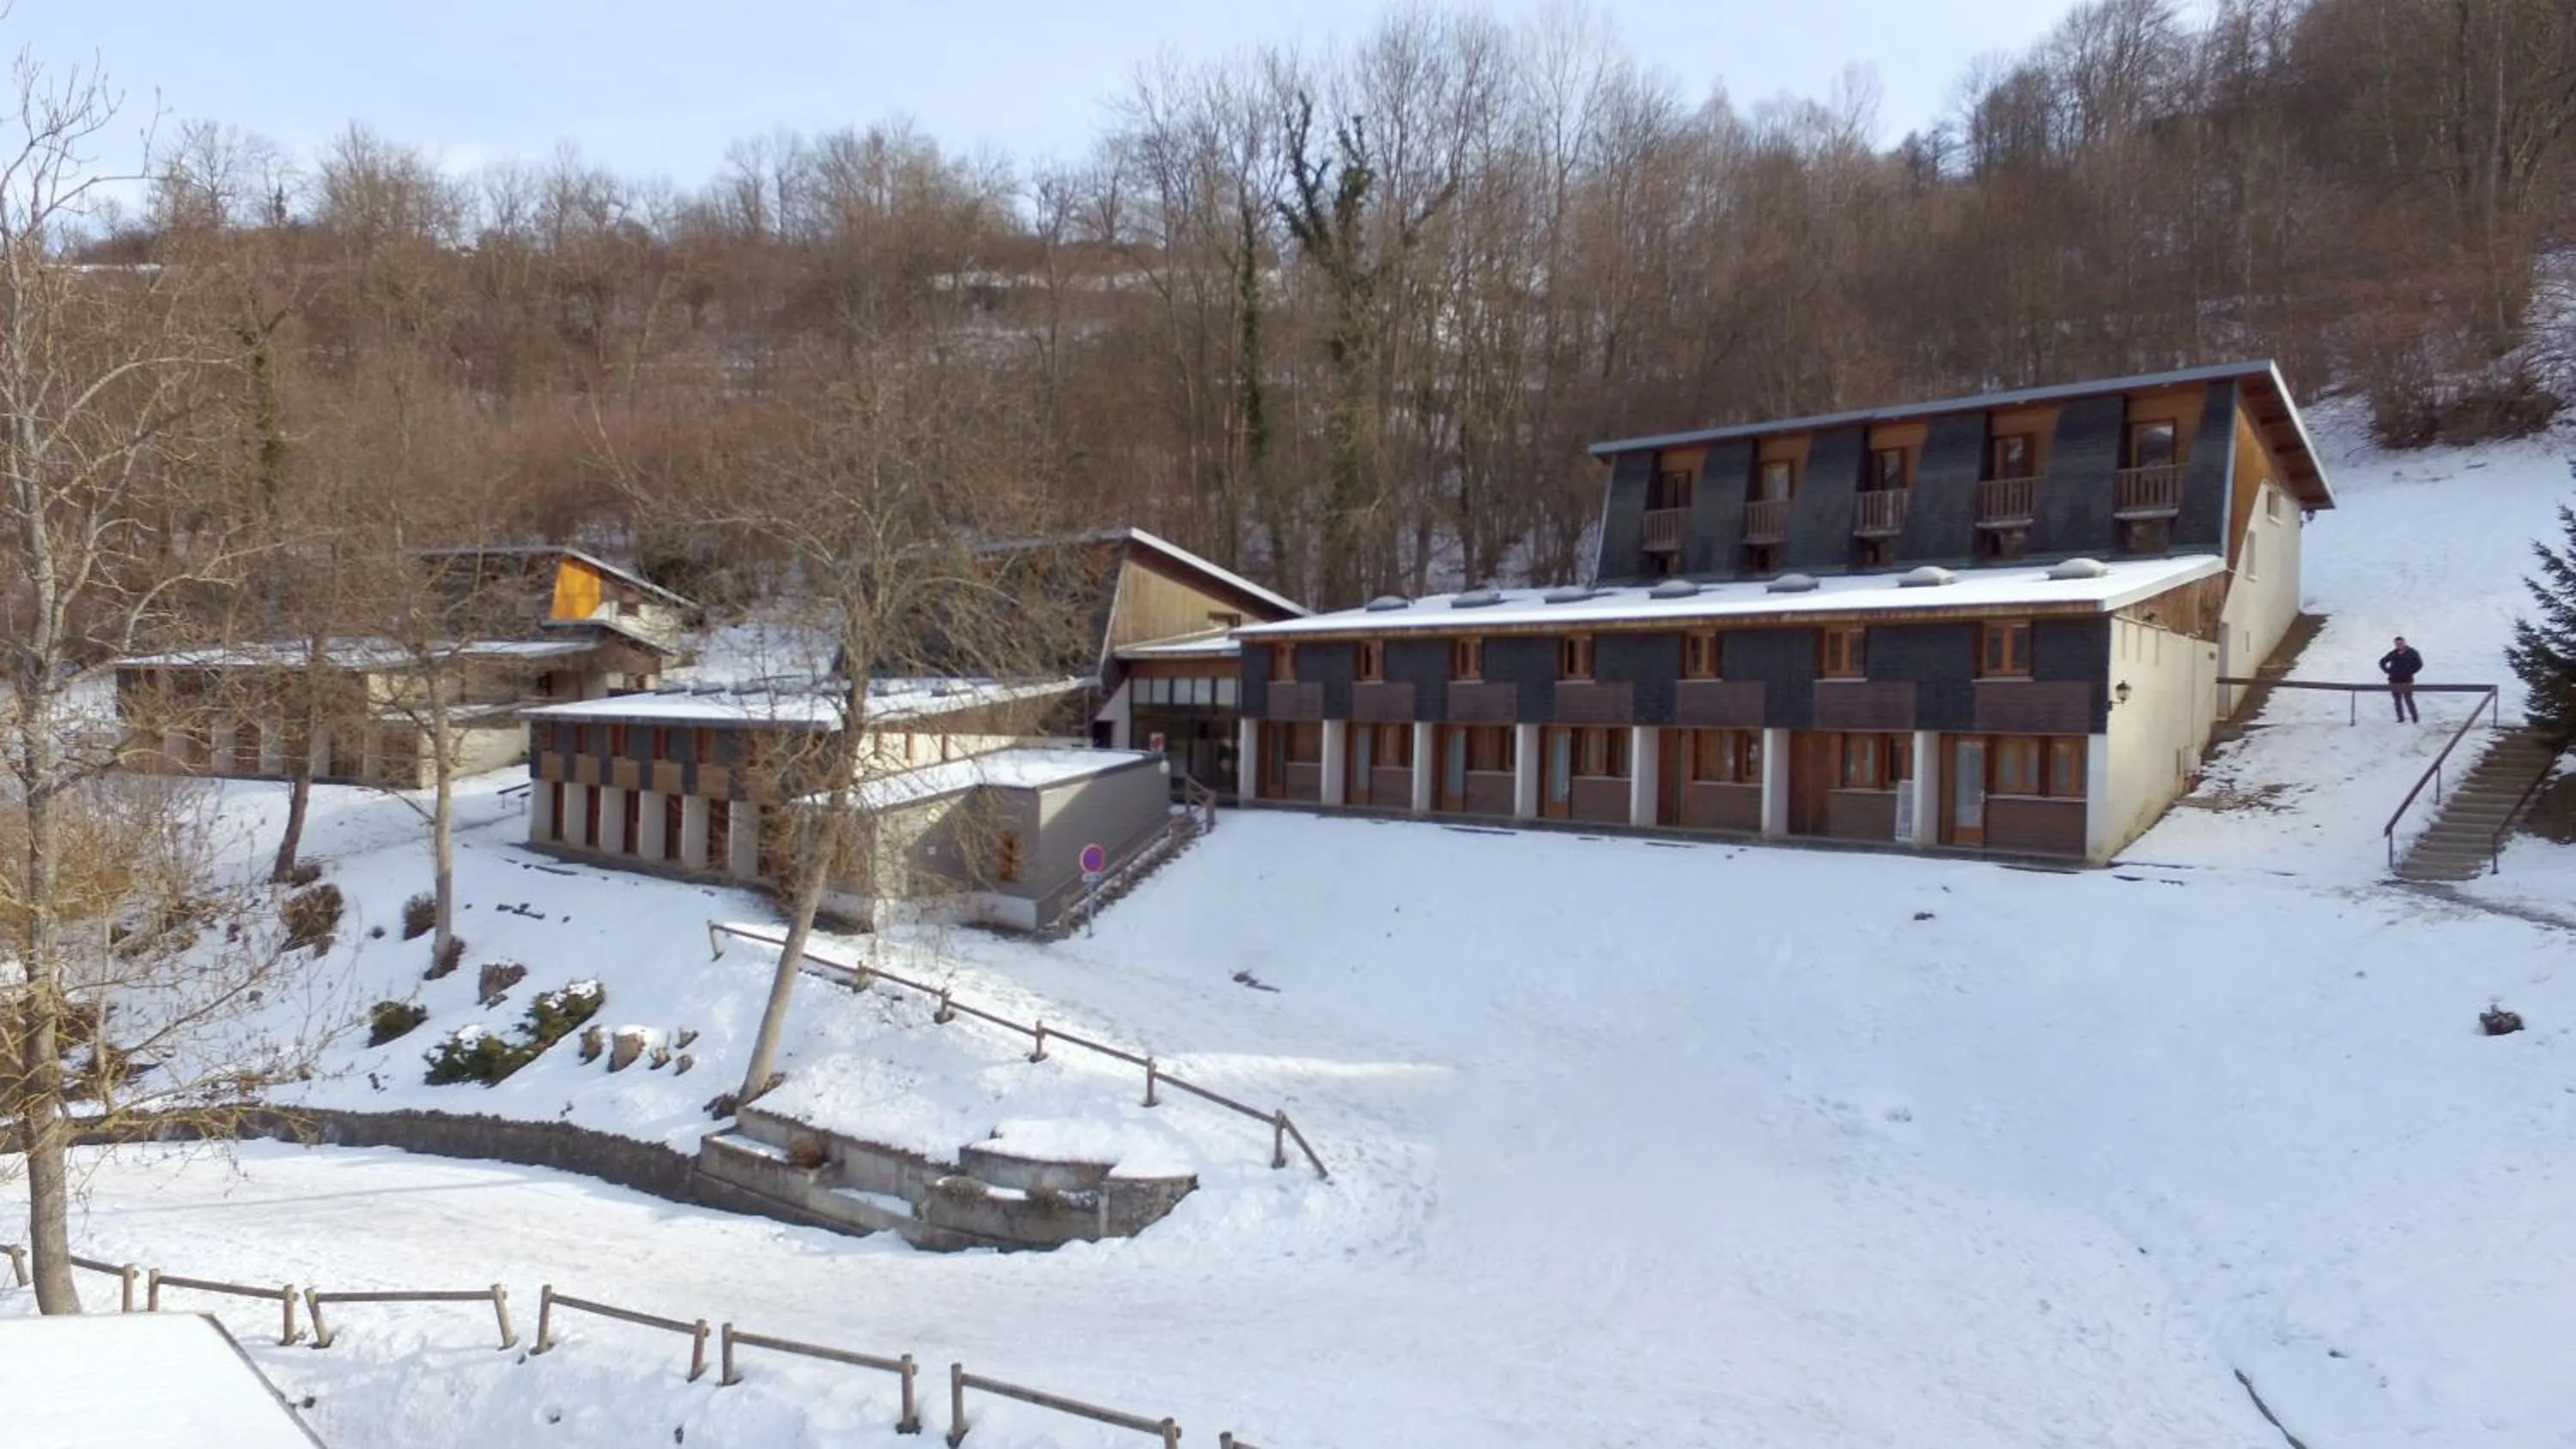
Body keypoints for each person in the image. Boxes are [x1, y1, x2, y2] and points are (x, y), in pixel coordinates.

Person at [2379, 635, 2424, 722]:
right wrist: (2388, 671)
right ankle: (2400, 719)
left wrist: (2410, 671)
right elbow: (2382, 662)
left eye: (2400, 643)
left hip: (2407, 680)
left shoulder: (2412, 652)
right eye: (2397, 644)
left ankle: (2415, 718)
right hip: (2394, 680)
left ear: (2404, 643)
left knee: (2408, 699)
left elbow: (2419, 664)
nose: (2399, 645)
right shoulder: (2393, 653)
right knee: (2397, 701)